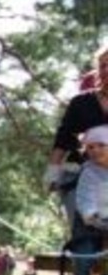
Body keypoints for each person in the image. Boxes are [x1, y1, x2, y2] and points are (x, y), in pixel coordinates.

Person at [44, 43, 108, 228]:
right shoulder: (81, 103)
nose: (106, 69)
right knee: (84, 240)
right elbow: (63, 139)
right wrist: (52, 173)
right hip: (79, 176)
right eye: (102, 65)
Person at [62, 124, 108, 275]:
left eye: (101, 145)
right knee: (83, 255)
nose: (95, 150)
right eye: (90, 147)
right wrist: (93, 216)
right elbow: (84, 199)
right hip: (89, 225)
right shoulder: (88, 172)